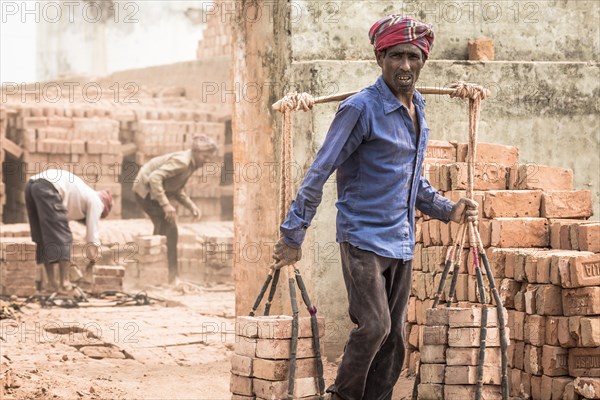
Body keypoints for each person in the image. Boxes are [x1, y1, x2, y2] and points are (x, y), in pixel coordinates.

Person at [271, 16, 478, 400]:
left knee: (394, 338)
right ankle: (342, 395)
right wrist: (292, 235)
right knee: (374, 326)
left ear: (423, 61)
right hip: (362, 238)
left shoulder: (417, 107)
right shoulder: (360, 109)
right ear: (380, 57)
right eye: (396, 56)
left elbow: (414, 183)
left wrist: (449, 209)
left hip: (401, 240)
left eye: (413, 57)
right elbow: (319, 172)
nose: (405, 65)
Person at [132, 135, 218, 283]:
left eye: (210, 157)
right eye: (205, 156)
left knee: (163, 230)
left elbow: (176, 189)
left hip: (152, 191)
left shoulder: (190, 164)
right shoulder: (182, 162)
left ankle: (153, 273)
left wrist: (191, 206)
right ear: (196, 152)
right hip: (145, 191)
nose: (207, 161)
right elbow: (154, 178)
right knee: (170, 230)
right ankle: (170, 276)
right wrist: (166, 205)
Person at [25, 169, 113, 292]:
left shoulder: (82, 195)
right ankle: (65, 284)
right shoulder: (98, 202)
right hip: (48, 187)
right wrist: (93, 258)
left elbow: (57, 225)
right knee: (64, 237)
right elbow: (92, 235)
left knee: (43, 237)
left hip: (31, 186)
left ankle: (51, 284)